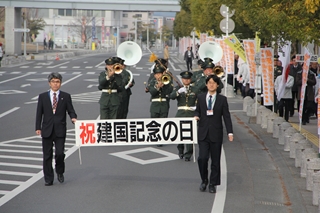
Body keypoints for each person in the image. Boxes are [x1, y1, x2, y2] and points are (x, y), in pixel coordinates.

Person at [35, 72, 77, 186]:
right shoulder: (43, 96)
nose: (55, 84)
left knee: (59, 154)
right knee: (47, 155)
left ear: (61, 83)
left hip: (60, 130)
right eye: (53, 82)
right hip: (47, 130)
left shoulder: (66, 96)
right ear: (49, 83)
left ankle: (59, 171)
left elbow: (70, 110)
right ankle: (48, 179)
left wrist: (73, 118)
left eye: (57, 82)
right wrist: (38, 127)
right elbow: (39, 113)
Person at [194, 74, 233, 193]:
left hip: (216, 134)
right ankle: (204, 180)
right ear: (206, 84)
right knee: (202, 158)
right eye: (209, 82)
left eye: (213, 83)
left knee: (215, 161)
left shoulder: (222, 99)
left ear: (217, 85)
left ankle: (212, 183)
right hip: (203, 133)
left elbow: (226, 116)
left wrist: (230, 132)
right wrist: (196, 115)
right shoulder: (200, 97)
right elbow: (197, 110)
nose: (211, 84)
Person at [169, 71, 199, 161]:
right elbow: (171, 96)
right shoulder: (178, 88)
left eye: (188, 79)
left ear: (190, 80)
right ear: (182, 80)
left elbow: (200, 100)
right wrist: (178, 92)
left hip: (190, 113)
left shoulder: (195, 89)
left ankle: (188, 154)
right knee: (180, 133)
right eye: (184, 79)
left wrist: (196, 108)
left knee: (190, 134)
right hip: (180, 113)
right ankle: (180, 150)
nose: (186, 81)